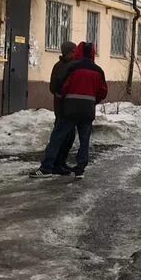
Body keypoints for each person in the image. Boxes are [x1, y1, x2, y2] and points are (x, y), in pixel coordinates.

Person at [31, 42, 108, 179]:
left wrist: (63, 101)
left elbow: (62, 88)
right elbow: (103, 92)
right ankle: (80, 170)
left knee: (57, 137)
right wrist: (92, 101)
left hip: (70, 110)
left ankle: (47, 167)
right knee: (84, 141)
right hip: (87, 111)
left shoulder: (73, 68)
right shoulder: (98, 70)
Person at [49, 41, 78, 175]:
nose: (74, 54)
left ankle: (61, 162)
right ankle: (54, 164)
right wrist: (62, 94)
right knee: (60, 137)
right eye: (73, 51)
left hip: (70, 108)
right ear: (67, 52)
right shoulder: (59, 67)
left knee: (70, 137)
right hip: (62, 108)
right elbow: (53, 88)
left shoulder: (72, 66)